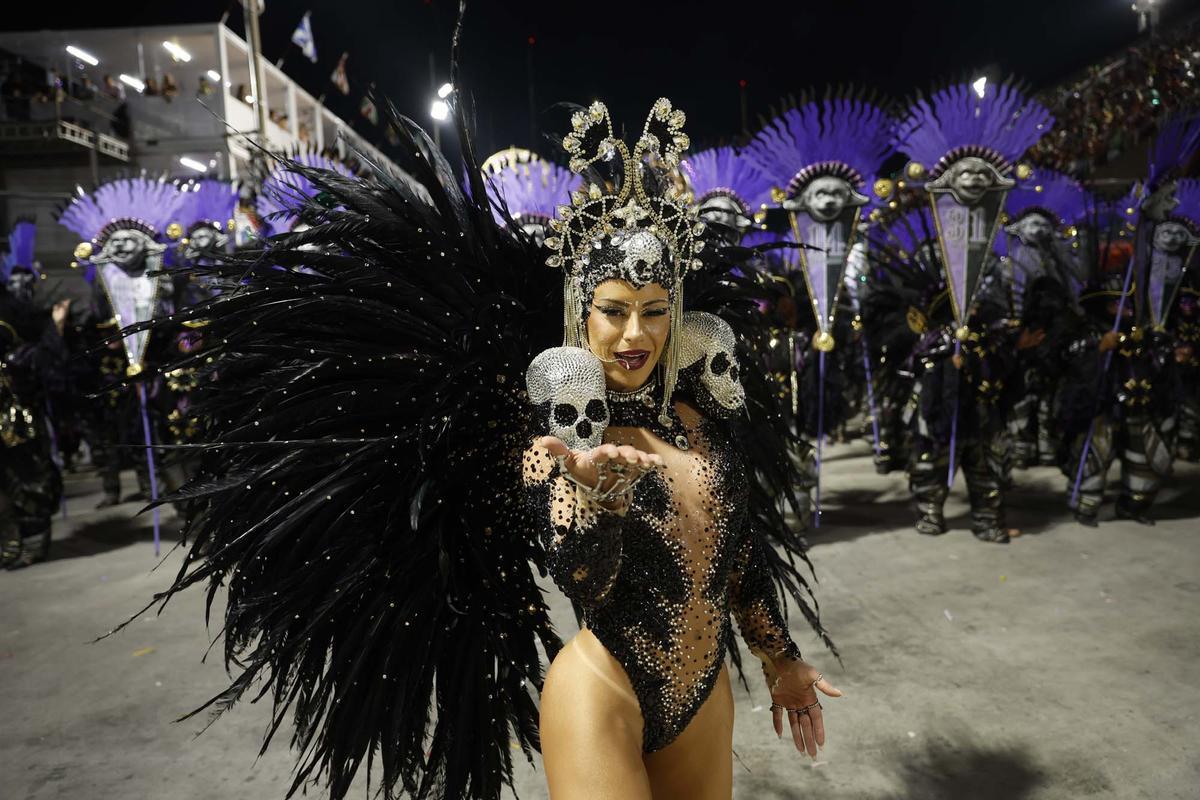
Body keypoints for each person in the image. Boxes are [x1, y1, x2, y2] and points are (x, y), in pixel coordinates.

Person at [119, 74, 837, 798]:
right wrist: (595, 498)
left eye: (654, 310)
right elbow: (585, 579)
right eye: (614, 310)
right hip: (601, 693)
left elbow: (738, 559)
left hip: (704, 698)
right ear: (581, 314)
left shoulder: (707, 428)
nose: (634, 334)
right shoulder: (555, 443)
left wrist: (780, 660)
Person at [889, 79, 1055, 543]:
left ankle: (987, 516)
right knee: (933, 445)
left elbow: (1008, 314)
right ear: (946, 182)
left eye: (984, 176)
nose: (975, 180)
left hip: (985, 374)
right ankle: (930, 509)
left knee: (987, 449)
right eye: (966, 174)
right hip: (940, 372)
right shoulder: (924, 255)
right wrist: (942, 346)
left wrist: (996, 342)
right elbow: (909, 316)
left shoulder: (1002, 261)